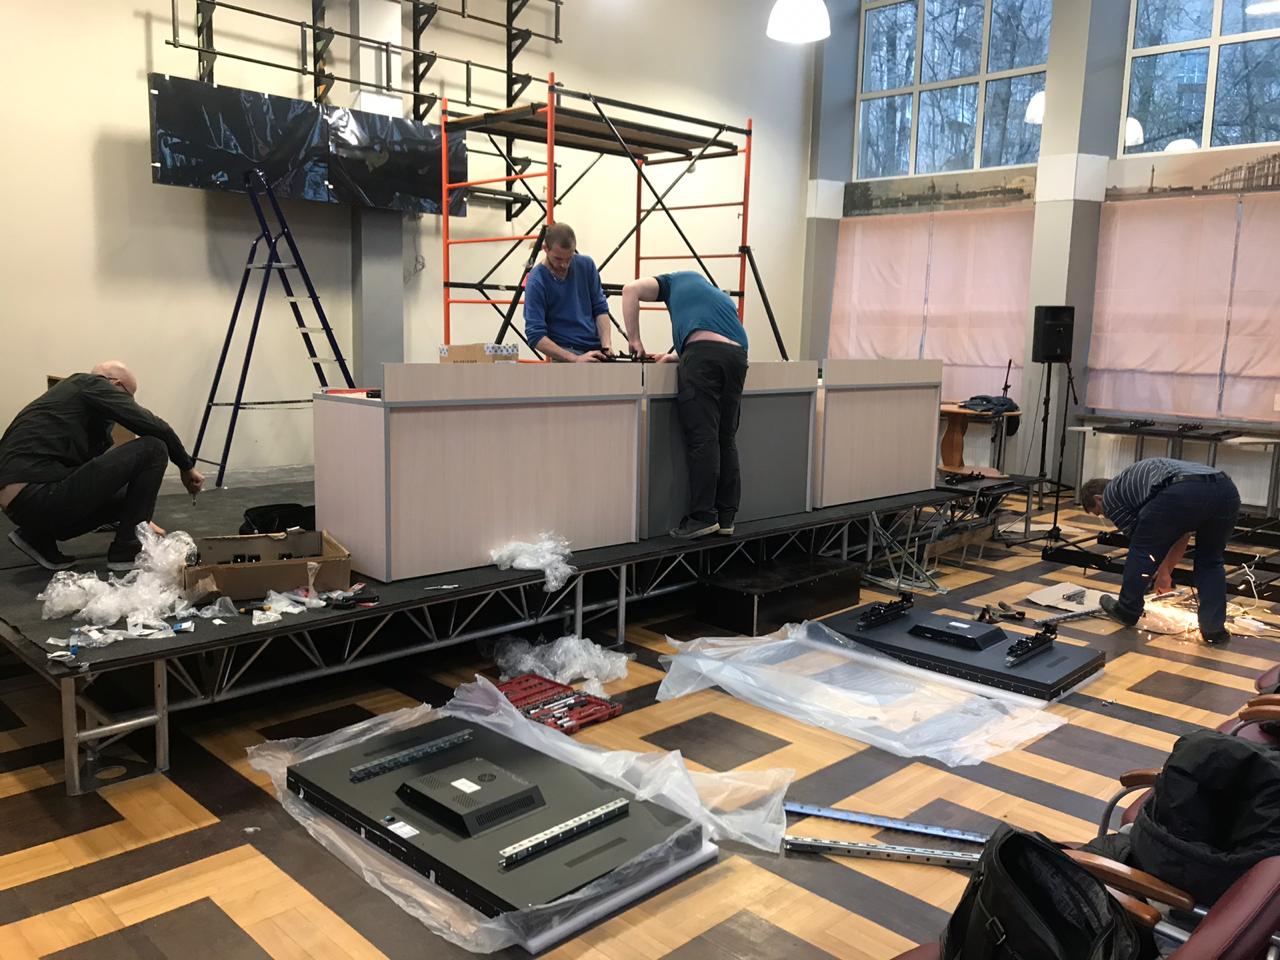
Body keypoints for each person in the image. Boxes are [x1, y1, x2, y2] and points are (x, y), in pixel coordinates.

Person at [0, 362, 204, 572]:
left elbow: (92, 483)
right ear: (115, 384)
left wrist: (138, 520)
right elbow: (155, 426)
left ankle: (36, 536)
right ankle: (127, 549)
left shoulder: (68, 408)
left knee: (126, 491)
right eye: (128, 397)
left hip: (24, 504)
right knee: (154, 447)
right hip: (39, 494)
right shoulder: (90, 383)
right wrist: (186, 467)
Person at [622, 271, 748, 540]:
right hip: (737, 355)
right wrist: (679, 356)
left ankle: (702, 517)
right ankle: (726, 517)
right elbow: (716, 339)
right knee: (726, 438)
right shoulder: (715, 295)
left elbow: (630, 290)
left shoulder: (672, 282)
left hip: (703, 357)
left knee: (703, 439)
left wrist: (635, 341)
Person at [1081, 457, 1240, 644]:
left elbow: (1146, 547)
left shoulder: (1111, 496)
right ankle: (1214, 630)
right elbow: (1182, 532)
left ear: (1098, 499)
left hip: (1182, 490)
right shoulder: (1137, 484)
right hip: (1226, 490)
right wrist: (1165, 573)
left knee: (1139, 551)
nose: (1106, 516)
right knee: (1210, 561)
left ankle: (1127, 610)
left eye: (1099, 512)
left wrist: (1161, 572)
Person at [522, 222, 614, 362]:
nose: (564, 264)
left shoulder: (586, 265)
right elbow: (535, 335)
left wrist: (607, 346)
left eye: (569, 257)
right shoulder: (536, 281)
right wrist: (575, 359)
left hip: (594, 349)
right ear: (545, 249)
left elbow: (600, 309)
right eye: (558, 259)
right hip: (565, 352)